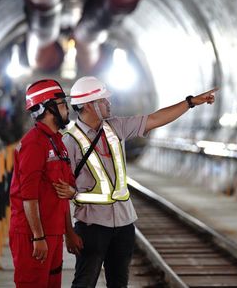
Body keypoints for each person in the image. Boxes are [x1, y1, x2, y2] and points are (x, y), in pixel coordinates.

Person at [53, 76, 217, 288]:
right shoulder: (69, 141)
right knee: (84, 283)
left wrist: (190, 102)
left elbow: (155, 119)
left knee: (119, 284)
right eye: (103, 100)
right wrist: (69, 233)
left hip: (124, 223)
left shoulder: (116, 127)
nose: (108, 103)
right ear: (88, 105)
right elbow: (60, 193)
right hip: (92, 226)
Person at [9, 79, 82, 288]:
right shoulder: (33, 144)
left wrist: (68, 232)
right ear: (47, 108)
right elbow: (28, 197)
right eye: (61, 104)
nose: (66, 109)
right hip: (33, 236)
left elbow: (63, 194)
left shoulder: (58, 142)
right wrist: (38, 237)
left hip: (53, 233)